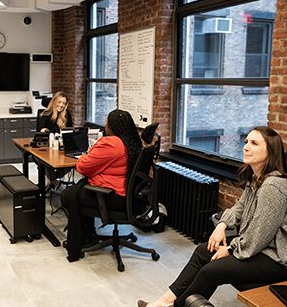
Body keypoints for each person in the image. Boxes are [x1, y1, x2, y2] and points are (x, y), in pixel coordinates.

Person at [138, 126, 287, 307]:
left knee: (212, 270)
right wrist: (222, 225)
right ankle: (164, 302)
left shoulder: (273, 186)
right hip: (260, 248)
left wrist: (231, 250)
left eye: (254, 143)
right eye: (246, 141)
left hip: (276, 259)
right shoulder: (256, 177)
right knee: (203, 250)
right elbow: (239, 207)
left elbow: (259, 235)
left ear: (271, 151)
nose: (246, 147)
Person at [61, 109, 143, 261]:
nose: (105, 126)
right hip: (132, 198)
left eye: (107, 123)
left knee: (68, 195)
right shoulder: (133, 142)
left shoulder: (112, 144)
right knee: (77, 190)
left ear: (112, 126)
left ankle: (84, 239)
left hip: (112, 196)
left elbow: (83, 167)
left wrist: (85, 157)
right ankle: (88, 234)